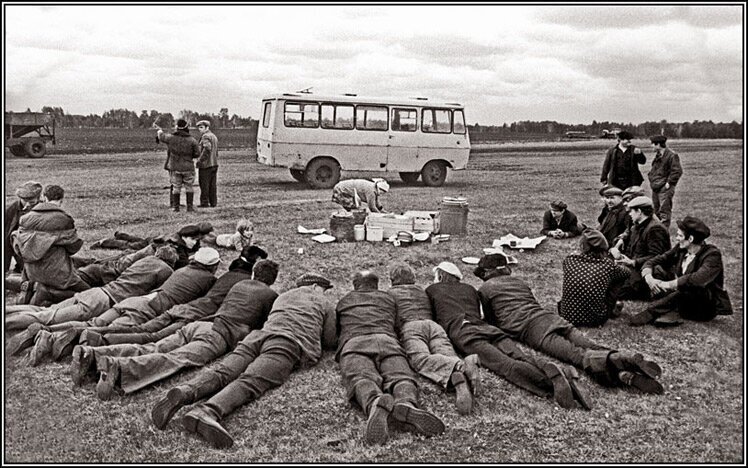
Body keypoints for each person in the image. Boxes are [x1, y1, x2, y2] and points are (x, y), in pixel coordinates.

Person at [148, 273, 336, 449]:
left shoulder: (283, 296)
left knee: (223, 371)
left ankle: (186, 391)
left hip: (257, 337)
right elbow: (329, 339)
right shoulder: (322, 301)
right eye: (324, 289)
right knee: (251, 381)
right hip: (287, 344)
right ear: (314, 286)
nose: (325, 292)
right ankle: (207, 411)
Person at [73, 260, 279, 400]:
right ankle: (119, 368)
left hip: (200, 324)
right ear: (272, 280)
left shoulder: (240, 284)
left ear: (253, 273)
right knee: (175, 359)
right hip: (217, 336)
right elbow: (263, 325)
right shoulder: (269, 295)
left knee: (153, 346)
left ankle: (94, 353)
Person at [474, 253, 664, 395]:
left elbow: (491, 321)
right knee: (589, 344)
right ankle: (622, 363)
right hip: (549, 317)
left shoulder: (485, 289)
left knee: (576, 356)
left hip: (531, 329)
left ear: (487, 273)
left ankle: (617, 368)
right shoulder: (519, 282)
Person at [15, 247, 221, 366]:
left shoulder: (168, 267)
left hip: (118, 297)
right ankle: (49, 336)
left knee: (81, 321)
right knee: (105, 331)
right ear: (213, 266)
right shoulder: (186, 275)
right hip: (139, 306)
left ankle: (47, 333)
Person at [426, 262, 589, 410]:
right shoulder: (469, 289)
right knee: (521, 356)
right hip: (488, 328)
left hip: (464, 332)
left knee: (504, 364)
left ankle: (550, 384)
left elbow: (431, 319)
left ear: (439, 275)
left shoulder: (431, 290)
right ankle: (564, 375)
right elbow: (482, 314)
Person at [77, 245, 268, 348]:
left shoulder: (186, 270)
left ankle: (96, 334)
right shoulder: (229, 283)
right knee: (153, 337)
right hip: (189, 314)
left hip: (173, 307)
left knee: (142, 329)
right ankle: (102, 340)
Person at [337, 270, 444, 445]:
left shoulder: (344, 301)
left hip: (355, 343)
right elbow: (396, 324)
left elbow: (335, 331)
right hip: (387, 341)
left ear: (355, 286)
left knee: (361, 377)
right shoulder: (388, 299)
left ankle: (375, 402)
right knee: (402, 376)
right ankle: (406, 402)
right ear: (377, 285)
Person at [5, 245, 176, 333]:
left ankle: (8, 310)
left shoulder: (143, 260)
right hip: (104, 301)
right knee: (46, 318)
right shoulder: (166, 270)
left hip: (97, 291)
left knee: (44, 310)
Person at [387, 263, 480, 415]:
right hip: (433, 325)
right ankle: (457, 377)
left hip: (411, 327)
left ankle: (461, 366)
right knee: (446, 354)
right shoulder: (422, 291)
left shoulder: (390, 293)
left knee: (420, 359)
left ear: (391, 281)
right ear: (414, 279)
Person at [630, 216, 733, 326]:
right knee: (658, 276)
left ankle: (651, 312)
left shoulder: (712, 255)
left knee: (687, 289)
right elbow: (656, 260)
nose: (677, 239)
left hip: (703, 305)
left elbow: (697, 280)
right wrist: (649, 278)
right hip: (681, 296)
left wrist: (668, 284)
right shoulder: (681, 249)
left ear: (690, 239)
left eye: (679, 235)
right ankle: (672, 312)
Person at [12, 185, 91, 306]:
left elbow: (18, 246)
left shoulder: (25, 219)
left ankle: (38, 291)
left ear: (44, 197)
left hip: (31, 273)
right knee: (89, 293)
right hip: (58, 273)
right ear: (61, 200)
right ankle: (46, 293)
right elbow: (73, 247)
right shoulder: (64, 219)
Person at [558, 229, 631, 327]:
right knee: (618, 277)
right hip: (595, 319)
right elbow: (627, 273)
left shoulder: (569, 260)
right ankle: (612, 306)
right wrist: (617, 261)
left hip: (566, 315)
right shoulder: (607, 265)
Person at [609, 196, 671, 300]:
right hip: (635, 268)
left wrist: (633, 262)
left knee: (615, 291)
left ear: (639, 211)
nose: (629, 214)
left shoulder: (655, 228)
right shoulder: (637, 226)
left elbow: (657, 256)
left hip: (648, 271)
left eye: (631, 211)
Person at [156, 119, 200, 212]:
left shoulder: (171, 138)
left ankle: (176, 207)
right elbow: (197, 153)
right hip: (188, 167)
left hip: (175, 167)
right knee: (189, 187)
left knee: (176, 187)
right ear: (186, 127)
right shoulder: (192, 140)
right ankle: (189, 207)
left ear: (177, 127)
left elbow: (161, 136)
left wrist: (159, 131)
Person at [5, 181, 43, 274]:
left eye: (32, 202)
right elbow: (6, 240)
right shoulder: (10, 211)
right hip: (19, 248)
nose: (28, 205)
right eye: (25, 201)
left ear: (38, 198)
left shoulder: (44, 208)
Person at [647, 135, 683, 229]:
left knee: (664, 210)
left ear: (658, 144)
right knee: (656, 210)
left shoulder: (672, 155)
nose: (652, 146)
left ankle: (664, 231)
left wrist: (669, 183)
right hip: (656, 187)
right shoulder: (658, 156)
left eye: (653, 144)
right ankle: (657, 229)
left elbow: (677, 171)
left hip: (664, 187)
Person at [196, 120, 219, 208]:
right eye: (199, 127)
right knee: (212, 185)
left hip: (206, 165)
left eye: (201, 127)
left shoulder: (205, 136)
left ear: (207, 128)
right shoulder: (214, 136)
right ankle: (213, 202)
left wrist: (200, 160)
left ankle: (204, 202)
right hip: (214, 164)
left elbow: (207, 148)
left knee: (204, 184)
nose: (199, 129)